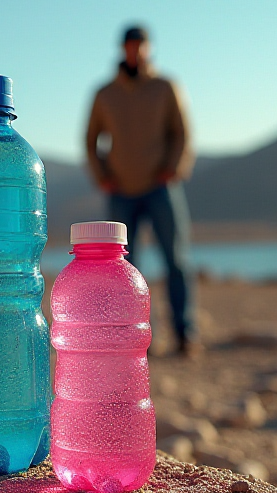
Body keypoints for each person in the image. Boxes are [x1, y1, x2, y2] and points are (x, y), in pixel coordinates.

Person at [84, 24, 200, 357]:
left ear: (149, 48)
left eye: (141, 45)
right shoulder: (105, 94)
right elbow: (90, 139)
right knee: (124, 269)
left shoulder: (165, 87)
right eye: (130, 45)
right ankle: (135, 341)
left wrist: (173, 169)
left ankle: (185, 334)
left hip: (161, 187)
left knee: (176, 260)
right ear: (123, 49)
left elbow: (182, 132)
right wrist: (102, 176)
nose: (136, 50)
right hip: (121, 192)